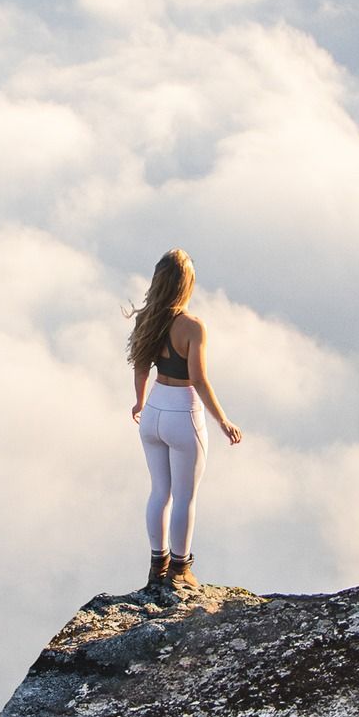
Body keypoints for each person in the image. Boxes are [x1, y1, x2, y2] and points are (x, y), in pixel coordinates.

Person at [128, 246, 242, 592]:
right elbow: (199, 378)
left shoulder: (146, 319)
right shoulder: (192, 326)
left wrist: (139, 401)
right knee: (185, 497)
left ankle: (155, 566)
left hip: (153, 412)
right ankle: (179, 570)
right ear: (186, 285)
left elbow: (141, 365)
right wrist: (223, 420)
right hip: (182, 412)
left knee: (159, 492)